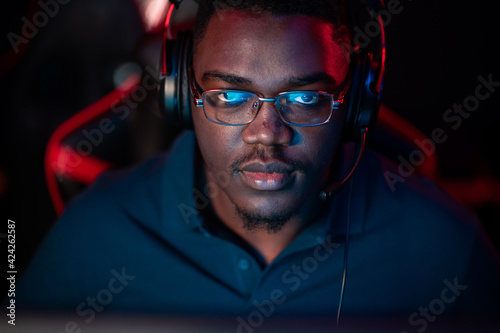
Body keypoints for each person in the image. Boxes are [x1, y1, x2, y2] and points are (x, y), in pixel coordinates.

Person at [16, 0, 500, 330]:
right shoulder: (92, 238)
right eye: (229, 95)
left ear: (354, 104)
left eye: (306, 97)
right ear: (183, 96)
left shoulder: (447, 250)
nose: (267, 132)